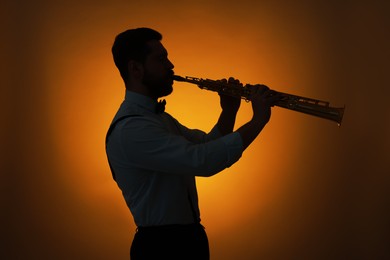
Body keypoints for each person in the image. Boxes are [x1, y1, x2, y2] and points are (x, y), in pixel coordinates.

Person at [106, 28, 280, 260]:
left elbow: (207, 144)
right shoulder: (132, 129)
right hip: (162, 248)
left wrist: (229, 111)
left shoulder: (158, 119)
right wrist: (258, 120)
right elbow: (203, 161)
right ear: (136, 69)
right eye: (161, 59)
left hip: (185, 240)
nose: (171, 65)